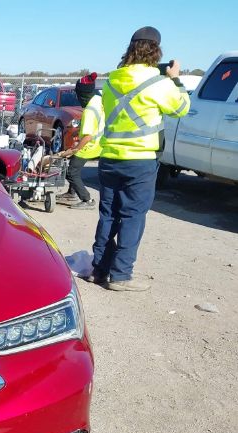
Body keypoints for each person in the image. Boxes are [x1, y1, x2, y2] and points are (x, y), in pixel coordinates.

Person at [89, 26, 190, 291]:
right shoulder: (159, 83)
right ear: (156, 52)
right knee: (133, 215)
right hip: (141, 160)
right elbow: (181, 108)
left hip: (110, 157)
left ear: (130, 49)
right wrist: (175, 79)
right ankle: (121, 275)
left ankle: (99, 269)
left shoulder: (112, 81)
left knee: (108, 214)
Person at [59, 72, 103, 209]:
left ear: (82, 94)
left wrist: (75, 149)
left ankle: (87, 200)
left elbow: (88, 136)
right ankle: (71, 192)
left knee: (71, 172)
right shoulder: (98, 100)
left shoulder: (90, 110)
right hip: (100, 141)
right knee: (73, 167)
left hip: (91, 144)